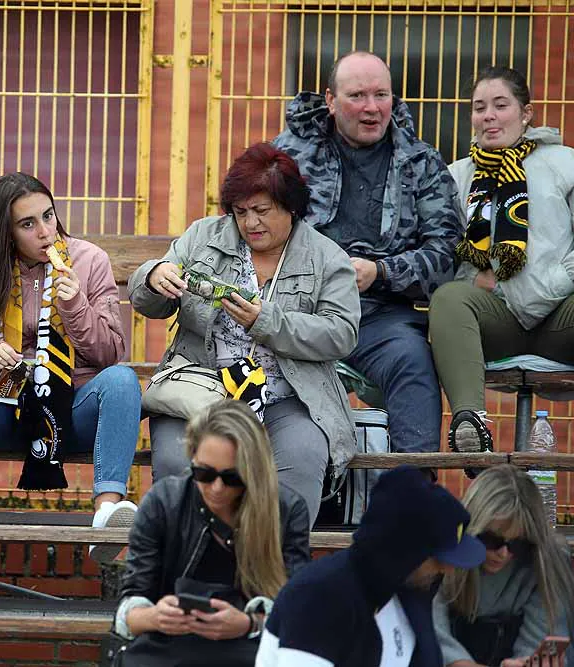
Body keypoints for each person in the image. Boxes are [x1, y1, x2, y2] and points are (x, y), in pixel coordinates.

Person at [129, 142, 360, 524]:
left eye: (262, 211)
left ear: (291, 207)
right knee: (176, 462)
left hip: (288, 397)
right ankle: (190, 569)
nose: (251, 222)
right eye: (240, 212)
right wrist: (153, 278)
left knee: (302, 460)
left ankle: (273, 573)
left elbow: (341, 333)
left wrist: (266, 322)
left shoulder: (325, 256)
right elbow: (149, 303)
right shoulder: (203, 236)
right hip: (199, 390)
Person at [0, 172, 141, 562]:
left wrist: (76, 305)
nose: (45, 231)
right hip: (5, 406)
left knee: (123, 381)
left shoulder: (88, 260)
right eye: (28, 224)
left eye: (48, 216)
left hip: (70, 409)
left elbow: (112, 353)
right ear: (6, 233)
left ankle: (107, 513)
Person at [273, 51, 463, 455]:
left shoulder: (421, 162)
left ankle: (413, 496)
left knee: (413, 363)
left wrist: (381, 272)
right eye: (357, 96)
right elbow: (250, 228)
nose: (372, 108)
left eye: (382, 95)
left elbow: (447, 253)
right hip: (299, 312)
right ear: (330, 100)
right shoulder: (285, 158)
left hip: (381, 318)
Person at [429, 66, 574, 456]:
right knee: (448, 298)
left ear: (526, 113)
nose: (488, 116)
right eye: (479, 108)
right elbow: (443, 252)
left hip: (562, 317)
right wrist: (472, 278)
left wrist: (547, 288)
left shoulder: (565, 164)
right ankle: (470, 426)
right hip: (499, 320)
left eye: (500, 105)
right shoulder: (456, 176)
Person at [112, 400, 310, 666]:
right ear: (192, 459)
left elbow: (296, 613)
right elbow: (130, 609)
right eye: (203, 473)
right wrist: (156, 616)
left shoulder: (286, 509)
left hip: (251, 649)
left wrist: (248, 623)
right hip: (170, 647)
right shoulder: (164, 501)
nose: (216, 488)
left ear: (253, 471)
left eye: (232, 477)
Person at [255, 465, 487, 667]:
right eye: (438, 558)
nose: (446, 569)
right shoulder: (318, 596)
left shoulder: (405, 594)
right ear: (405, 553)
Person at [433, 465, 574, 667]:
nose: (503, 553)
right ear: (472, 529)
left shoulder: (545, 560)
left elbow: (544, 637)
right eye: (491, 540)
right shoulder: (446, 550)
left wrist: (526, 662)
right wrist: (459, 662)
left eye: (518, 543)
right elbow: (431, 627)